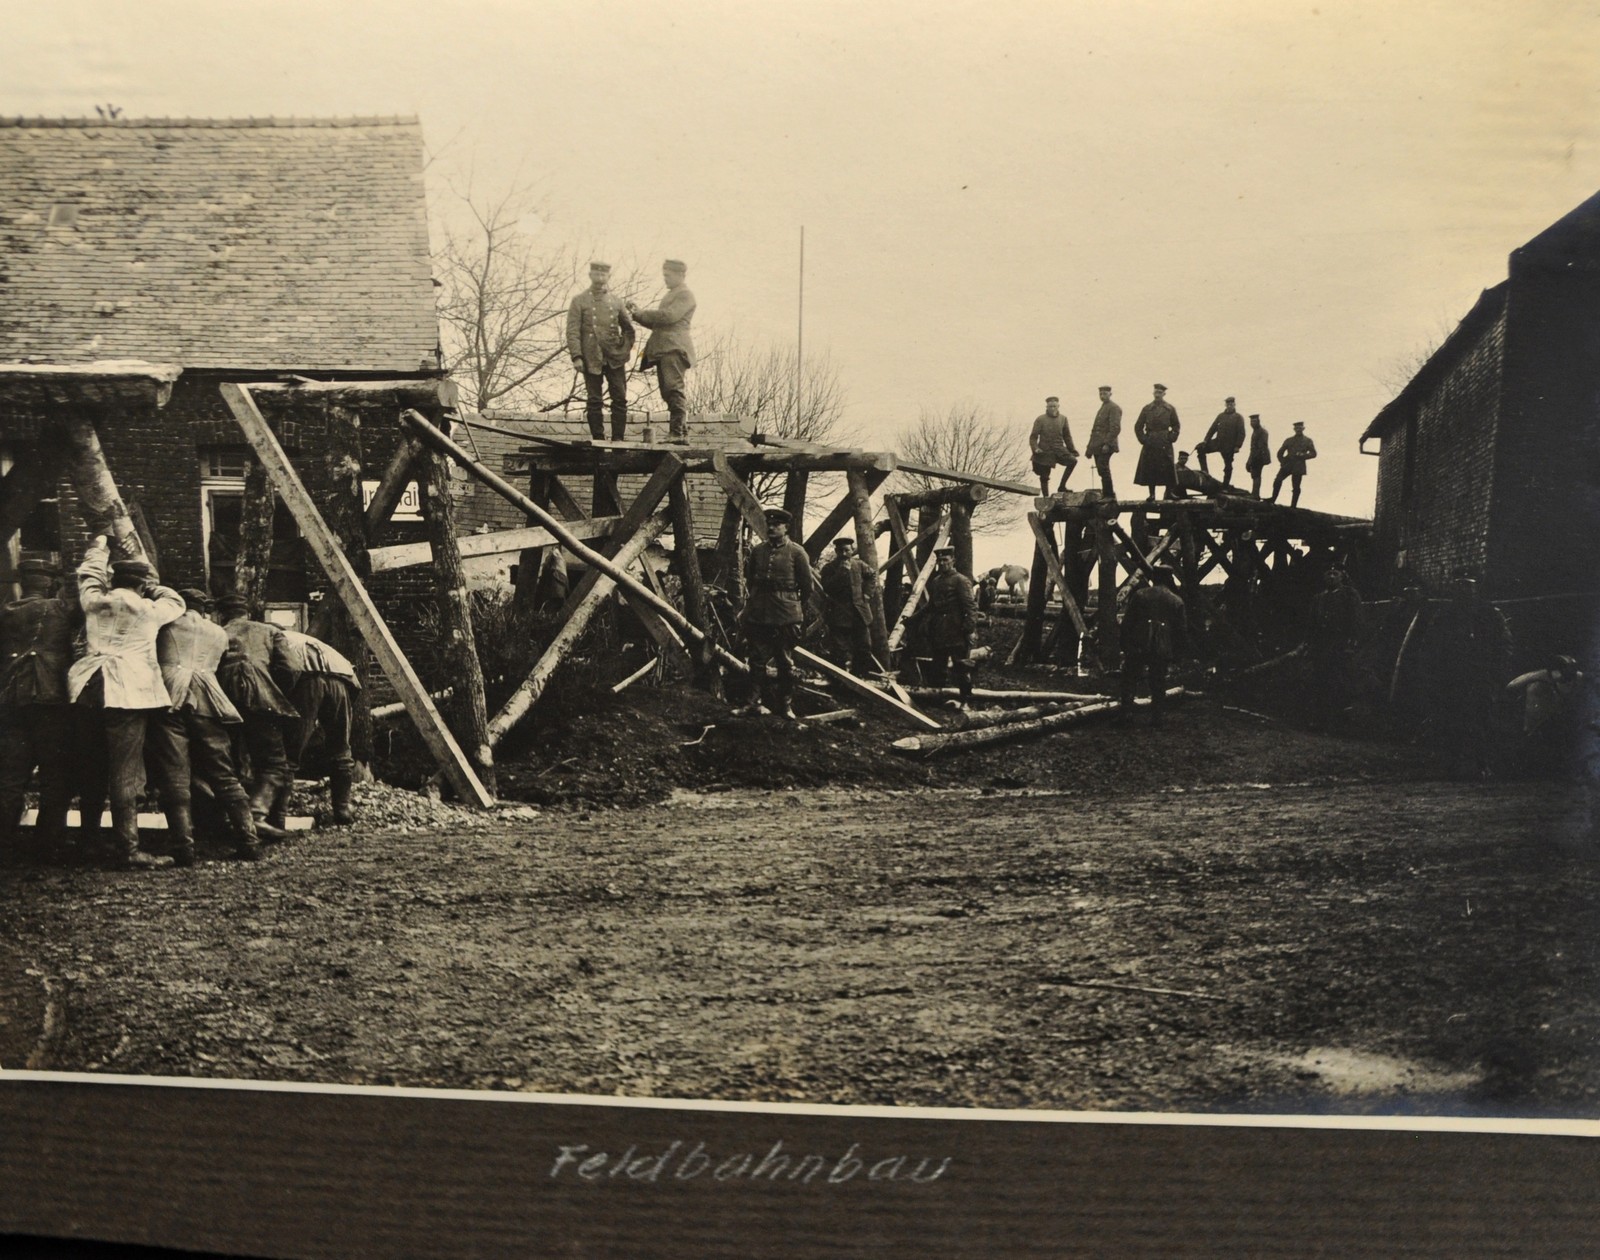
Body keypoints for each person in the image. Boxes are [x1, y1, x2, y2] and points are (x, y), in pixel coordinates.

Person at [67, 538, 185, 870]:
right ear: (142, 584)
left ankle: (88, 842)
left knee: (91, 767)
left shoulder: (94, 601)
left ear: (114, 580)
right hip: (128, 692)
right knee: (125, 773)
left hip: (88, 687)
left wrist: (100, 546)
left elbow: (88, 574)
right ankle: (128, 849)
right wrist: (154, 589)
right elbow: (175, 601)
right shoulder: (148, 609)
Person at [148, 588, 266, 863]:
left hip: (169, 698)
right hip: (209, 700)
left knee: (174, 773)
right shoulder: (218, 632)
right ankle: (249, 841)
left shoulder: (164, 625)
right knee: (223, 772)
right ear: (204, 608)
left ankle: (183, 847)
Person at [0, 559, 78, 861]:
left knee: (10, 775)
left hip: (10, 700)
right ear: (47, 583)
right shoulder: (59, 609)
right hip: (50, 700)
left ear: (24, 581)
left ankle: (4, 844)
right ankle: (49, 843)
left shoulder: (5, 613)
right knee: (54, 773)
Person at [215, 592, 300, 839]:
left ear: (221, 614)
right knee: (273, 763)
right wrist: (273, 691)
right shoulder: (269, 631)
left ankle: (232, 820)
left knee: (228, 764)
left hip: (223, 706)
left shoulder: (217, 633)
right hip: (262, 705)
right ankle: (257, 815)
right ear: (248, 613)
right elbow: (291, 668)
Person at [738, 508, 816, 719]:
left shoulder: (797, 552)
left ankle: (785, 706)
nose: (771, 528)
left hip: (785, 616)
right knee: (756, 660)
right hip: (760, 614)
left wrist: (793, 606)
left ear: (786, 528)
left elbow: (807, 587)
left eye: (776, 525)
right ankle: (752, 704)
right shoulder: (758, 551)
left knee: (784, 662)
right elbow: (751, 579)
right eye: (769, 525)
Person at [279, 628, 360, 826]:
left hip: (308, 679)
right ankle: (342, 809)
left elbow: (282, 677)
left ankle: (277, 815)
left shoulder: (276, 639)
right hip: (342, 677)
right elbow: (355, 689)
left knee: (289, 752)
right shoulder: (306, 640)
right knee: (340, 748)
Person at [627, 259, 697, 443]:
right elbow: (659, 323)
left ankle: (678, 433)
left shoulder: (685, 295)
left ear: (680, 275)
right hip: (666, 348)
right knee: (668, 391)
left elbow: (669, 316)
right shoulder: (673, 294)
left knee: (674, 389)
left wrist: (642, 313)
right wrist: (636, 314)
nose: (665, 279)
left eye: (668, 275)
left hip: (674, 348)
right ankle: (679, 433)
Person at [566, 261, 636, 441]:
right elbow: (572, 331)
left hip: (614, 357)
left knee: (619, 398)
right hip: (591, 357)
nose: (600, 277)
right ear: (590, 275)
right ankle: (598, 438)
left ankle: (618, 439)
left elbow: (629, 330)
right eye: (596, 274)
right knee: (594, 400)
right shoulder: (579, 301)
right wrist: (577, 356)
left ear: (608, 277)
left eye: (603, 274)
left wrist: (624, 351)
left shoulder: (616, 302)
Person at [1119, 562, 1187, 722]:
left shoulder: (1140, 595)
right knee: (1158, 680)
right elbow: (1181, 631)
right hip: (1161, 647)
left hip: (1138, 644)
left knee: (1130, 677)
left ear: (1154, 578)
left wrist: (1125, 644)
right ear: (1169, 579)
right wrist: (1177, 654)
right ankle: (1157, 716)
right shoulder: (1176, 601)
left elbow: (1127, 623)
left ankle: (1126, 713)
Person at [1306, 566, 1363, 729]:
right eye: (1328, 573)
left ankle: (1335, 722)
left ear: (1341, 577)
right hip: (1321, 645)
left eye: (1335, 574)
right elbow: (1312, 623)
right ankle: (1318, 720)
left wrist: (1351, 642)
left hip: (1339, 644)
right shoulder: (1319, 598)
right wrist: (1309, 643)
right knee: (1319, 681)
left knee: (1337, 682)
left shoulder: (1349, 595)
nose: (1331, 577)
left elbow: (1356, 620)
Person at [921, 546, 977, 709]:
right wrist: (913, 618)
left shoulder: (961, 580)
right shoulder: (937, 581)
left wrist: (969, 629)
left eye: (946, 560)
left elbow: (970, 607)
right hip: (939, 630)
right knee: (938, 666)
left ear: (953, 561)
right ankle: (936, 700)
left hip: (956, 630)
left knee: (961, 666)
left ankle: (966, 700)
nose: (943, 563)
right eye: (940, 560)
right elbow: (931, 605)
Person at [818, 536, 875, 677]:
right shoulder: (829, 568)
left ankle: (859, 677)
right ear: (836, 551)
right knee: (840, 649)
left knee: (864, 647)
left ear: (851, 551)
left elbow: (872, 575)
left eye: (847, 550)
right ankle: (840, 679)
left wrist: (867, 593)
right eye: (841, 551)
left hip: (859, 613)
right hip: (839, 614)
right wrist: (841, 572)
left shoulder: (859, 565)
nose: (844, 554)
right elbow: (827, 587)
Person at [1133, 384, 1181, 501]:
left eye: (1160, 393)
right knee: (1150, 467)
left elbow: (1176, 425)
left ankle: (1169, 492)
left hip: (1165, 441)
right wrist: (1144, 439)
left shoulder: (1170, 408)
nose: (1157, 395)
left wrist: (1171, 437)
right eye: (1156, 392)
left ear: (1164, 394)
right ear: (1153, 393)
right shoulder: (1147, 408)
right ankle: (1152, 494)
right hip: (1151, 441)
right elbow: (1138, 426)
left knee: (1168, 467)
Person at [1029, 396, 1078, 496]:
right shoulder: (1040, 419)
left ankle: (1062, 486)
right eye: (1050, 406)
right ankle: (1046, 497)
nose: (1052, 409)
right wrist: (1036, 448)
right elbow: (1033, 437)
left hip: (1059, 449)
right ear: (1046, 407)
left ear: (1058, 406)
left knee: (1073, 461)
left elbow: (1067, 436)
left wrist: (1072, 450)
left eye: (1054, 406)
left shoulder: (1063, 419)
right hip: (1044, 450)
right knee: (1044, 476)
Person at [1195, 396, 1246, 486]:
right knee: (1201, 449)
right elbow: (1213, 428)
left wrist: (1237, 446)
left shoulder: (1238, 417)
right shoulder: (1221, 416)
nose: (1229, 406)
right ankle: (1205, 473)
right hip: (1218, 442)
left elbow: (1241, 433)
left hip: (1229, 446)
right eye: (1228, 404)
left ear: (1234, 405)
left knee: (1228, 465)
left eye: (1231, 404)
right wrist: (1206, 441)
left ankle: (1225, 485)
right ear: (1225, 405)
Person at [1086, 386, 1122, 498]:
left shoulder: (1114, 408)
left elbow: (1115, 428)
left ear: (1110, 394)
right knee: (1101, 470)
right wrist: (1089, 448)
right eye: (1101, 394)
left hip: (1106, 445)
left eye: (1105, 393)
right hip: (1097, 445)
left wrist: (1107, 443)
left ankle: (1109, 494)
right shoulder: (1102, 408)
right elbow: (1095, 430)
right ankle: (1107, 493)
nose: (1102, 396)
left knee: (1103, 467)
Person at [1270, 422, 1317, 507]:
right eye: (1296, 428)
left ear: (1303, 429)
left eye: (1300, 428)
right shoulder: (1289, 440)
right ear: (1294, 429)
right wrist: (1282, 462)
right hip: (1288, 464)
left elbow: (1314, 453)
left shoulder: (1307, 441)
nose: (1298, 430)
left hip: (1299, 465)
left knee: (1296, 486)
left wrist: (1303, 455)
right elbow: (1280, 453)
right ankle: (1273, 499)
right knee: (1277, 480)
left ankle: (1293, 505)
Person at [1245, 414, 1272, 497]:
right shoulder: (1255, 431)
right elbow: (1253, 449)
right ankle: (1255, 493)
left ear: (1258, 421)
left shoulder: (1262, 432)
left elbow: (1260, 447)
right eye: (1251, 421)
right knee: (1255, 475)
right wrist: (1249, 460)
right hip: (1256, 456)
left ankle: (1255, 494)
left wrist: (1252, 460)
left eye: (1254, 421)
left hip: (1260, 456)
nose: (1252, 423)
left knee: (1256, 475)